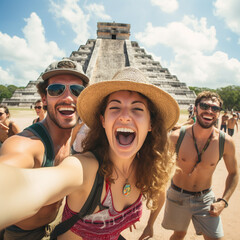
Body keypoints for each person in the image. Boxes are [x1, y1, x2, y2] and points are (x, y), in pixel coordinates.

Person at [0, 67, 179, 239]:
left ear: (150, 124)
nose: (125, 116)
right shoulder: (84, 167)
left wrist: (131, 218)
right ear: (102, 120)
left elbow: (160, 190)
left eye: (137, 109)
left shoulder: (149, 167)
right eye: (115, 107)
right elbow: (23, 187)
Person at [0, 59, 89, 240]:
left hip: (57, 226)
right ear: (44, 99)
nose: (68, 98)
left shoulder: (78, 136)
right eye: (56, 90)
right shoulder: (27, 143)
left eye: (77, 90)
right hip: (23, 234)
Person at [162, 91, 239, 240]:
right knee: (178, 235)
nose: (209, 111)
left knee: (215, 238)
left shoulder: (226, 142)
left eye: (215, 108)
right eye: (204, 106)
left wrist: (223, 201)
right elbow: (158, 167)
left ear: (218, 113)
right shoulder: (176, 137)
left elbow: (234, 173)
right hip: (177, 196)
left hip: (205, 199)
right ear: (195, 108)